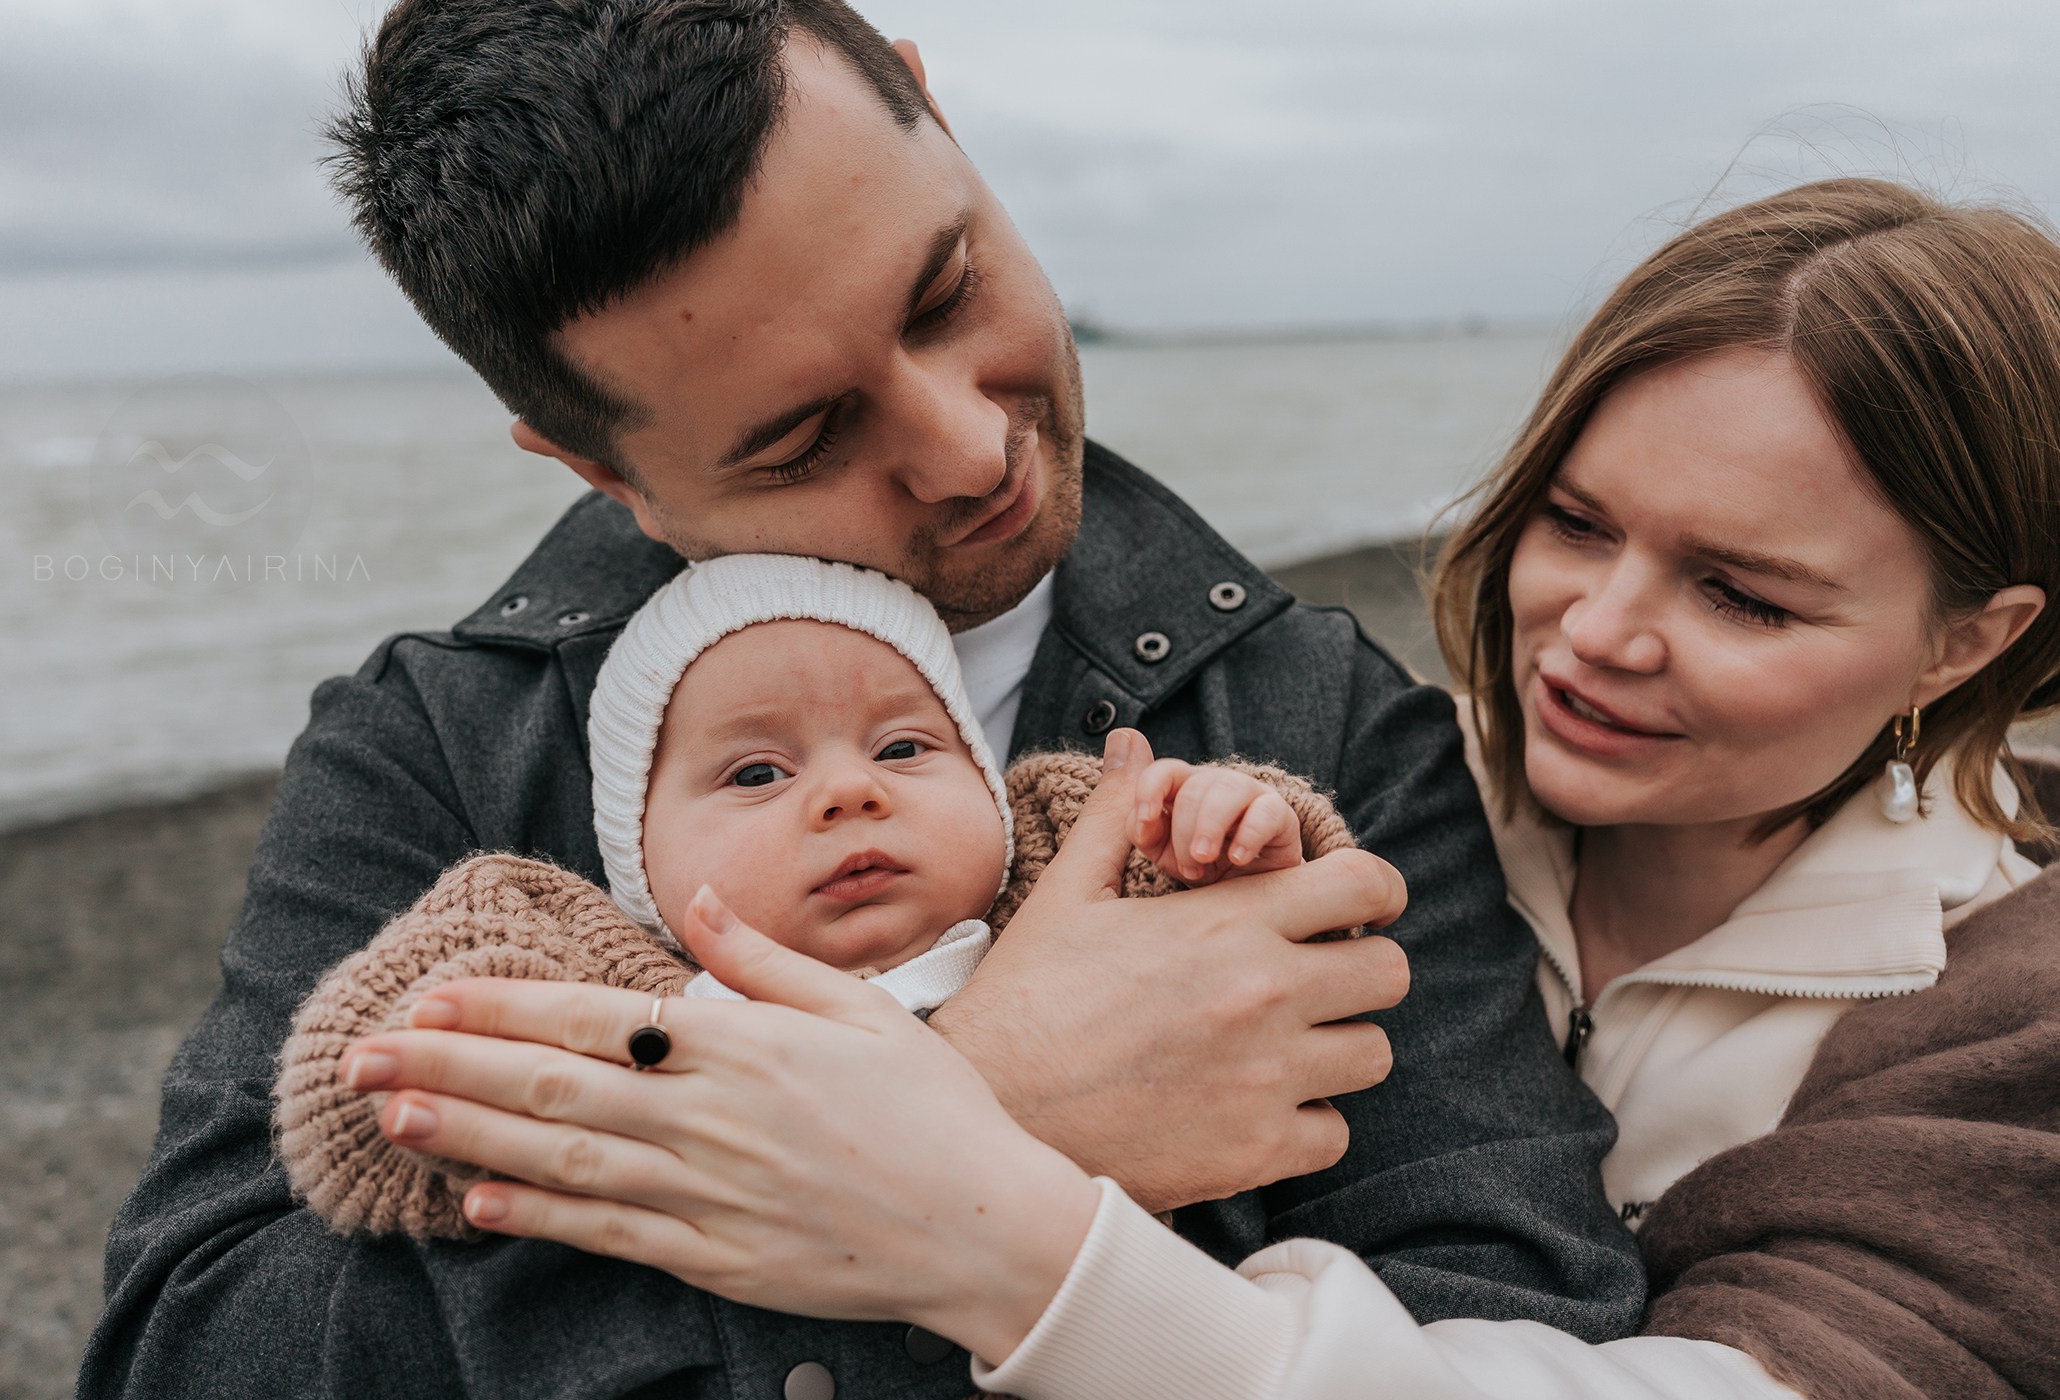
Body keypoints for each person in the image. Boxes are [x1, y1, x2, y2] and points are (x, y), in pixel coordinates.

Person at [81, 3, 1645, 1396]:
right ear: (596, 468)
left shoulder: (1306, 720)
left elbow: (1522, 1312)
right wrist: (978, 1107)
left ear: (933, 110)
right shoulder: (434, 755)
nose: (971, 449)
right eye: (802, 438)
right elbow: (194, 1342)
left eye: (945, 287)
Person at [364, 179, 2060, 1399]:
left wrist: (992, 1196)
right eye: (1579, 521)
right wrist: (993, 1082)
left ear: (1964, 645)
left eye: (1744, 595)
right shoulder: (1368, 777)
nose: (1595, 634)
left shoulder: (2007, 1010)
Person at [273, 553, 1356, 1239]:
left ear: (986, 779)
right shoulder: (599, 956)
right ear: (636, 858)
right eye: (755, 772)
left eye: (904, 743)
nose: (849, 789)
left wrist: (1232, 829)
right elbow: (351, 1103)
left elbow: (1299, 913)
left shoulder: (1051, 853)